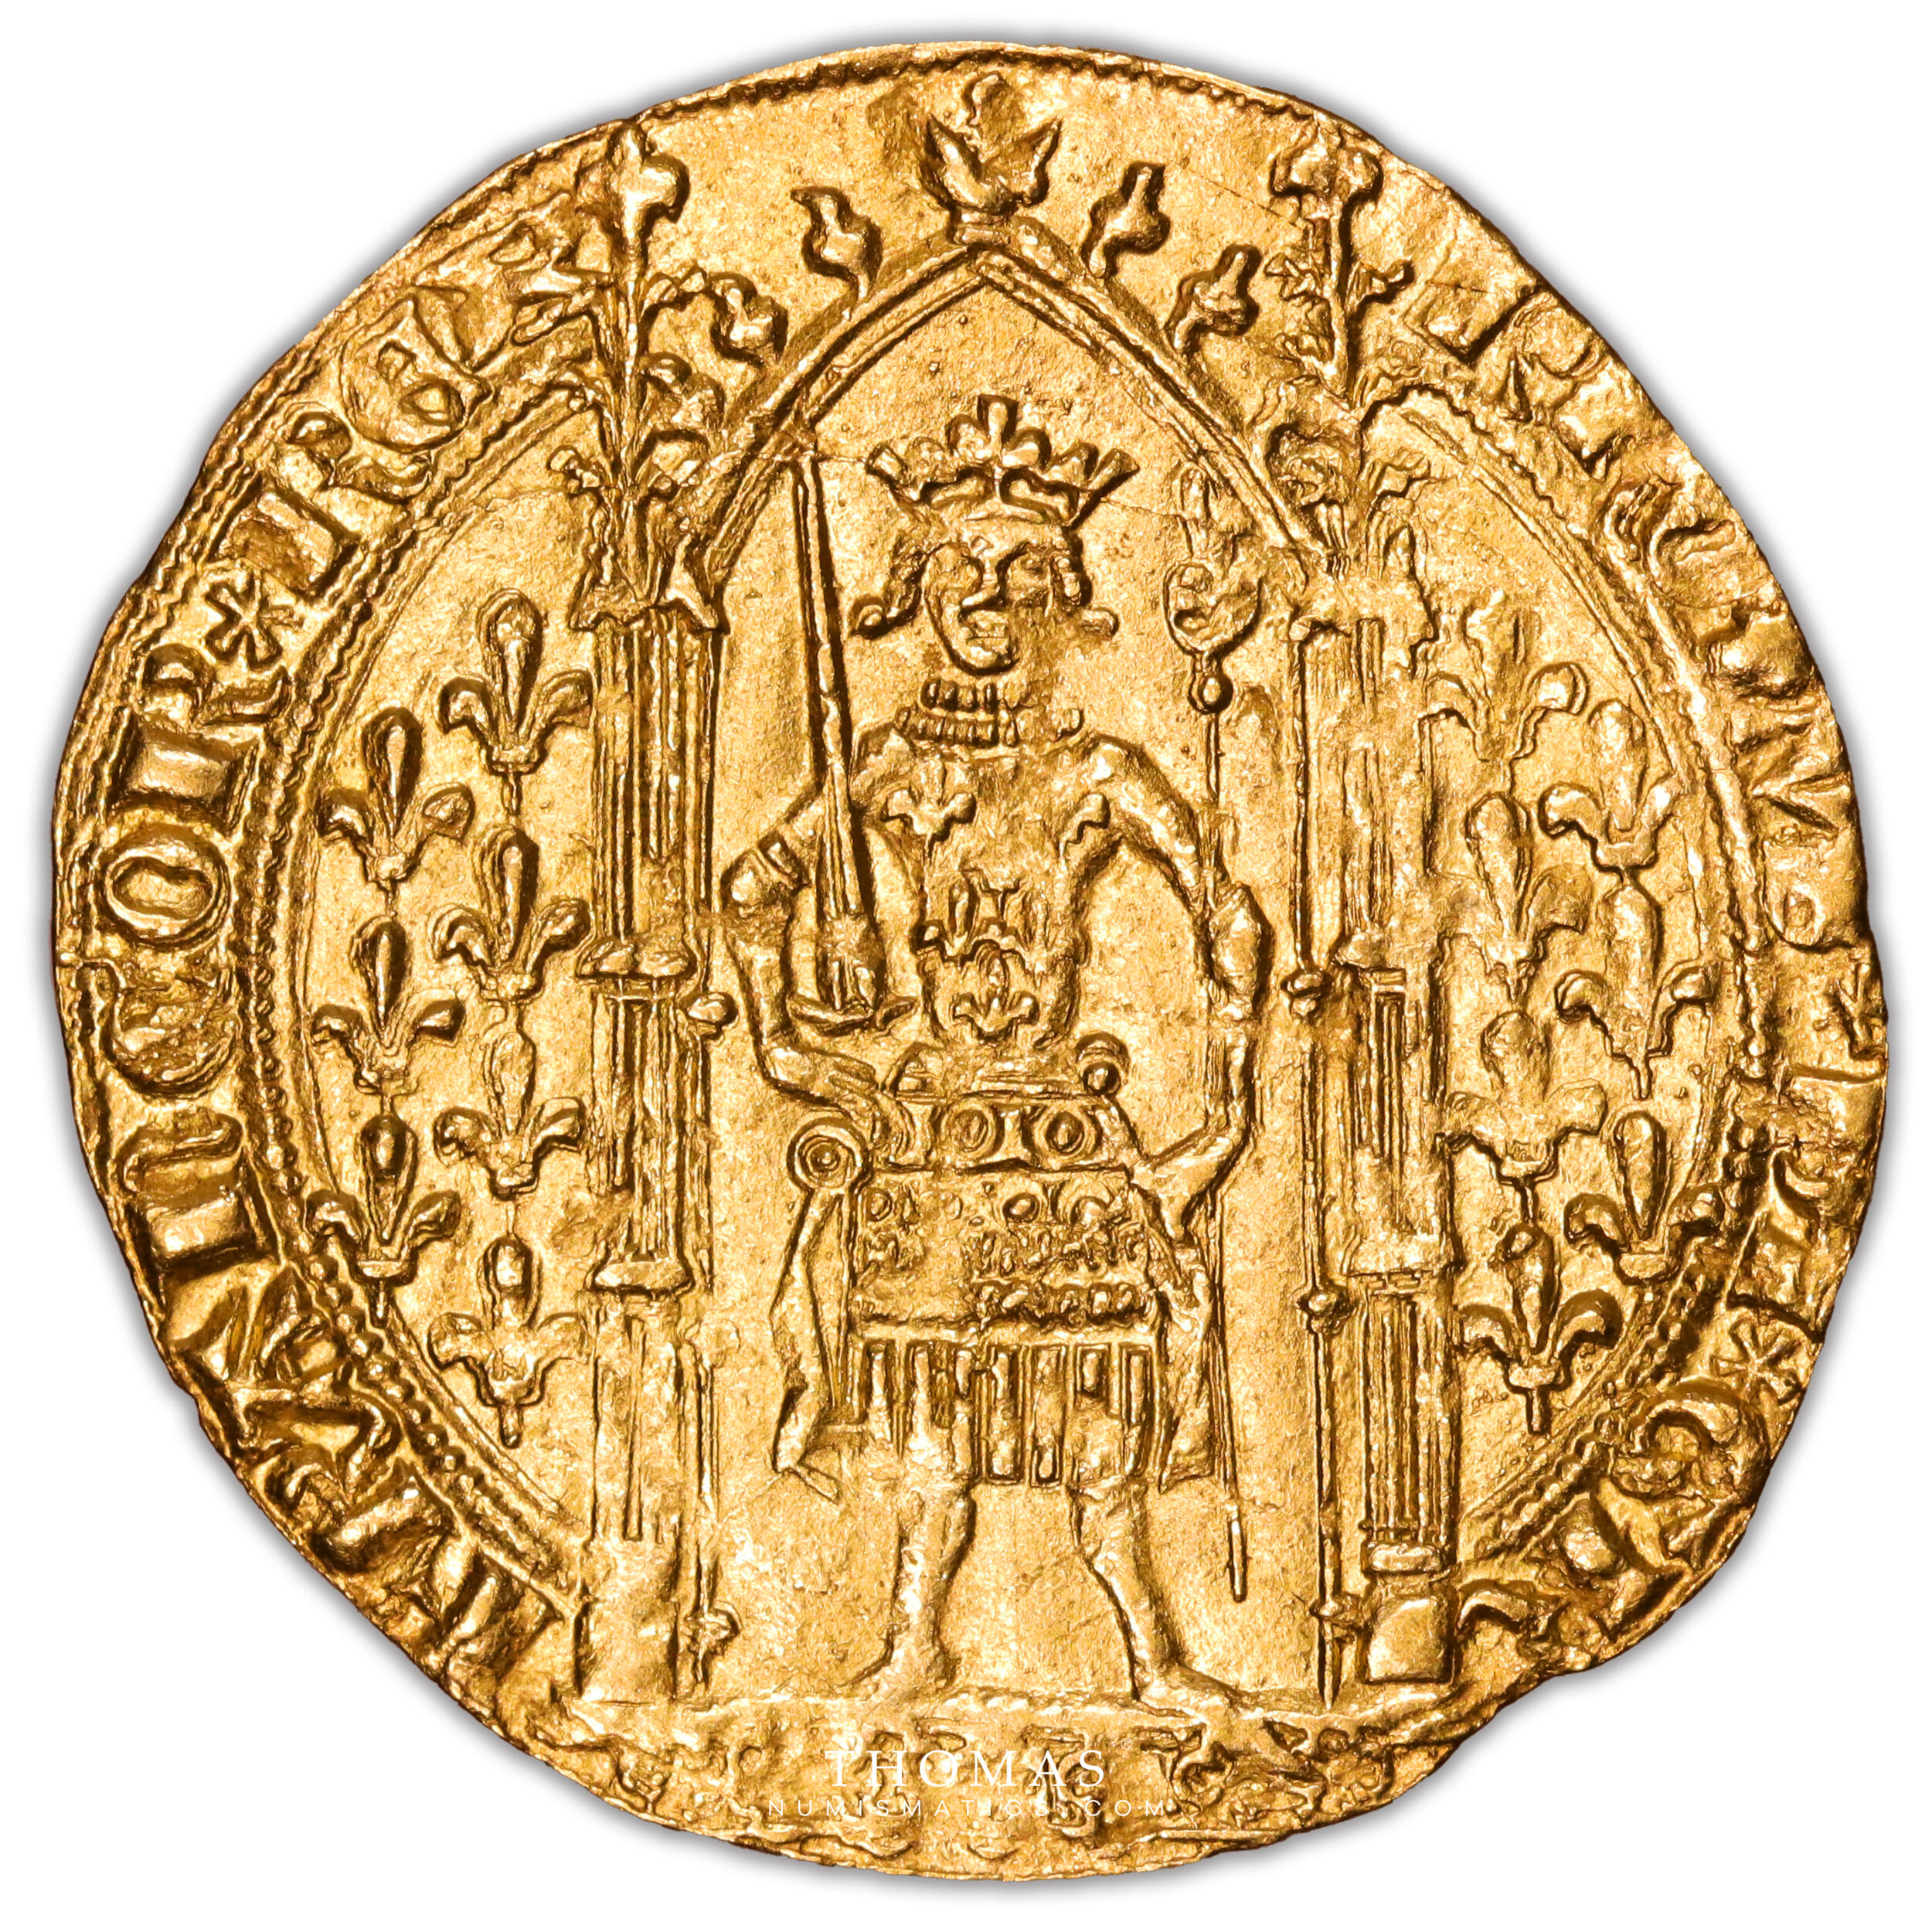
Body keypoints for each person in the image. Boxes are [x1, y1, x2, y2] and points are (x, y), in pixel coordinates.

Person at [723, 396, 1267, 1706]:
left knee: (1106, 1413)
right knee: (931, 1419)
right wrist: (793, 1048)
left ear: (1060, 595)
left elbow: (1227, 908)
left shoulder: (1099, 775)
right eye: (961, 568)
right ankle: (917, 1644)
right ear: (917, 587)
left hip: (1068, 1125)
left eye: (1021, 571)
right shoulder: (882, 770)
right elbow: (749, 897)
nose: (987, 596)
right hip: (933, 1125)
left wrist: (1230, 1078)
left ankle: (1153, 1657)